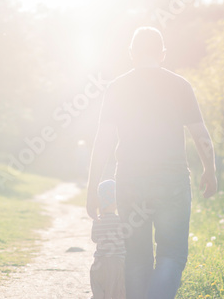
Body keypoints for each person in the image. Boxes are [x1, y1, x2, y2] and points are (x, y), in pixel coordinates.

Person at [86, 26, 217, 299]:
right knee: (172, 254)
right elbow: (200, 134)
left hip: (130, 180)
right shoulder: (180, 85)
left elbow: (103, 142)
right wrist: (210, 170)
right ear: (163, 54)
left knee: (136, 258)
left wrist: (92, 188)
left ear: (132, 54)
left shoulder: (117, 87)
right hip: (172, 182)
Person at [90, 179, 126, 299]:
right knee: (117, 293)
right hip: (117, 263)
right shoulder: (120, 220)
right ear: (116, 201)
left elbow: (94, 238)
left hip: (99, 262)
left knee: (99, 291)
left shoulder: (97, 220)